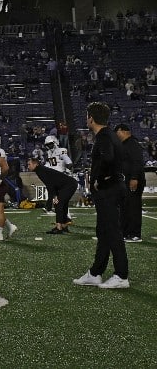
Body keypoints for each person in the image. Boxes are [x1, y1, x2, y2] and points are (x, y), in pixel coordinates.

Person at [73, 102, 129, 289]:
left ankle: (121, 275)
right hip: (112, 189)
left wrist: (100, 180)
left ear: (91, 118)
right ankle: (96, 273)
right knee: (104, 232)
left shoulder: (104, 137)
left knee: (112, 231)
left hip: (108, 190)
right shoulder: (110, 135)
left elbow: (108, 159)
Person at [26, 156, 78, 235]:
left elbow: (50, 185)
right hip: (67, 184)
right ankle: (63, 226)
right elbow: (52, 183)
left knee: (58, 204)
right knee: (62, 204)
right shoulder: (40, 170)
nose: (28, 166)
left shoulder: (41, 171)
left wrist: (53, 197)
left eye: (29, 164)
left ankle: (59, 227)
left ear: (35, 164)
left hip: (68, 185)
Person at [113, 123, 145, 244]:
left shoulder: (132, 143)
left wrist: (134, 178)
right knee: (125, 207)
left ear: (123, 131)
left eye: (117, 133)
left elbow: (137, 162)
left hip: (133, 180)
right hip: (127, 180)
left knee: (133, 207)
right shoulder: (125, 144)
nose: (116, 136)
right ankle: (125, 233)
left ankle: (135, 234)